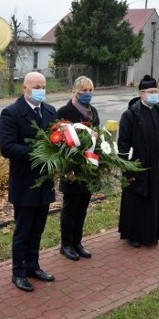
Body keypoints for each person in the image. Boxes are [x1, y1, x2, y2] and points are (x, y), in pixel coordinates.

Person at [0, 71, 57, 292]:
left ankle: (33, 265)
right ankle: (18, 272)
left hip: (44, 182)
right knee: (23, 231)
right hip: (24, 182)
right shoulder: (11, 113)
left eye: (43, 86)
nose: (40, 90)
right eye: (35, 86)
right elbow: (7, 147)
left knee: (38, 228)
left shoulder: (50, 111)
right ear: (24, 88)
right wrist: (39, 153)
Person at [117, 74, 159, 247]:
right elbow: (123, 144)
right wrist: (127, 169)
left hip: (156, 165)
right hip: (137, 166)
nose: (154, 94)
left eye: (156, 91)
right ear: (141, 93)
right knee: (137, 199)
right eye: (150, 91)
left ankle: (152, 234)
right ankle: (134, 235)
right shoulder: (131, 114)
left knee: (154, 199)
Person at [56, 76, 100, 261]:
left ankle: (77, 242)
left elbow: (98, 137)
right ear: (75, 91)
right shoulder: (64, 112)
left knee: (83, 206)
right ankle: (66, 244)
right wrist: (68, 167)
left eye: (90, 91)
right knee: (70, 207)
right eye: (84, 90)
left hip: (88, 168)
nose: (88, 94)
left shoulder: (93, 112)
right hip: (72, 169)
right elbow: (58, 141)